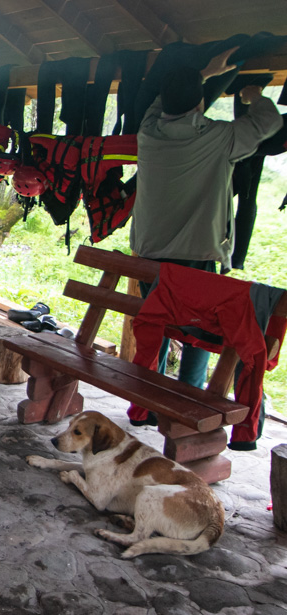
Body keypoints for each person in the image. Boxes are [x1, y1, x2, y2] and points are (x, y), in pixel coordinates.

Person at [128, 47, 283, 426]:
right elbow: (269, 123)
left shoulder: (148, 132)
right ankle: (188, 406)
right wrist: (253, 97)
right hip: (195, 256)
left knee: (158, 326)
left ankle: (151, 402)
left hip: (149, 253)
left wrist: (205, 72)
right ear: (201, 102)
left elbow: (160, 102)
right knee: (202, 332)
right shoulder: (219, 138)